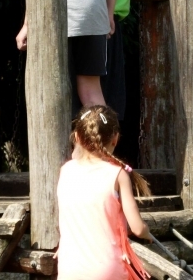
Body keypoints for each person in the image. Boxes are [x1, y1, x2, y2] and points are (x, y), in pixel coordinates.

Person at [57, 105, 151, 280]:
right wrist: (147, 232)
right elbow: (137, 228)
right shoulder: (117, 174)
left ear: (76, 137)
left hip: (69, 269)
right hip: (107, 270)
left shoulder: (65, 170)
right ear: (115, 139)